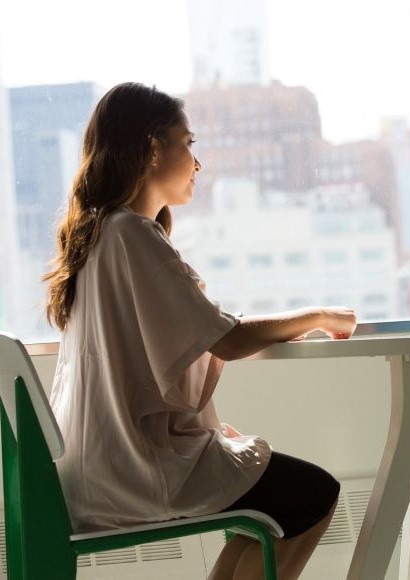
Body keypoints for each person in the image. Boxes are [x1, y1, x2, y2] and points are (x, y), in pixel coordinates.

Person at [44, 82, 357, 580]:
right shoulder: (130, 234)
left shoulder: (101, 235)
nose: (197, 161)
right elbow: (226, 339)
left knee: (268, 508)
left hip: (96, 466)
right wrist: (316, 316)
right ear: (152, 148)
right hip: (132, 471)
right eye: (188, 144)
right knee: (312, 495)